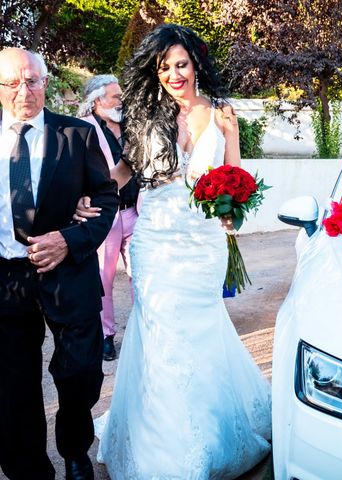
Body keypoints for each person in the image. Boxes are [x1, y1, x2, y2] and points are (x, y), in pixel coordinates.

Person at [79, 24, 271, 479]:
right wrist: (91, 193)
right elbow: (125, 169)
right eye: (164, 67)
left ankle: (211, 428)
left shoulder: (223, 113)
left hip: (202, 243)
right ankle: (168, 447)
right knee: (162, 333)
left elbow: (236, 174)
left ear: (196, 63)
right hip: (156, 240)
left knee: (200, 330)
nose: (173, 75)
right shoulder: (148, 113)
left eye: (180, 64)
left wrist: (231, 212)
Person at [0, 48, 119, 480]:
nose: (22, 91)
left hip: (68, 273)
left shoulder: (77, 134)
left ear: (46, 83)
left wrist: (69, 240)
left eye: (31, 80)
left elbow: (106, 197)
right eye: (11, 83)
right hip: (6, 278)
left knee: (81, 372)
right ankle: (28, 468)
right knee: (14, 384)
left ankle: (74, 450)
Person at [77, 74, 139, 361]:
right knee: (103, 279)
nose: (121, 100)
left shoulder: (132, 127)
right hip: (105, 217)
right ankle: (106, 336)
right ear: (98, 100)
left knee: (141, 274)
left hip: (136, 211)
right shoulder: (83, 129)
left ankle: (144, 331)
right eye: (116, 96)